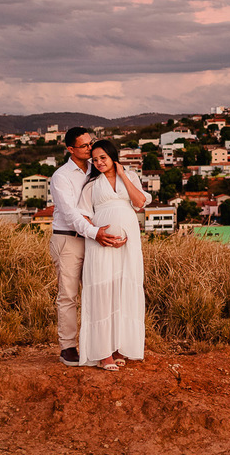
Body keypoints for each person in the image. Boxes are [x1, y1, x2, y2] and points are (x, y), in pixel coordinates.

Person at [48, 127, 126, 367]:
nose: (90, 148)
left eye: (91, 143)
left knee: (99, 292)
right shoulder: (61, 176)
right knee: (68, 295)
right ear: (70, 149)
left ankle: (103, 346)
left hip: (95, 240)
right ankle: (68, 348)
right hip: (69, 239)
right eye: (84, 146)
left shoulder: (97, 168)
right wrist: (95, 232)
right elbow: (71, 214)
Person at [78, 139, 150, 370]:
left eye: (103, 157)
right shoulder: (91, 185)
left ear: (113, 157)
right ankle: (103, 353)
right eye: (95, 159)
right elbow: (83, 215)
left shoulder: (130, 177)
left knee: (123, 290)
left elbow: (139, 202)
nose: (99, 162)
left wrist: (122, 175)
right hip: (101, 244)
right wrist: (99, 234)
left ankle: (119, 347)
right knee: (103, 292)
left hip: (129, 244)